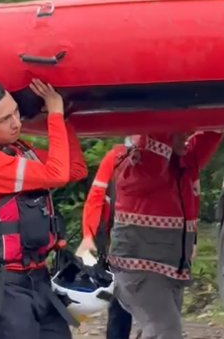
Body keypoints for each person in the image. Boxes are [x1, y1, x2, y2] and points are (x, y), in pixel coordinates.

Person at [0, 79, 89, 339]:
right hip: (3, 286)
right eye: (4, 119)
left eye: (16, 112)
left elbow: (75, 170)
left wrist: (62, 119)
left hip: (38, 277)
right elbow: (58, 175)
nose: (16, 122)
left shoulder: (18, 151)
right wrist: (56, 113)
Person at [108, 131, 224, 339]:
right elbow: (158, 133)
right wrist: (168, 125)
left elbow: (212, 132)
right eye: (176, 134)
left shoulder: (185, 162)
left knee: (159, 328)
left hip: (170, 271)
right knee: (165, 330)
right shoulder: (139, 167)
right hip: (141, 272)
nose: (183, 138)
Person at [76, 138, 139, 339]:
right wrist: (88, 236)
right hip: (122, 242)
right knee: (120, 304)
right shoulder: (116, 157)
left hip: (150, 241)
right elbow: (95, 197)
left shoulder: (169, 155)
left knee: (138, 306)